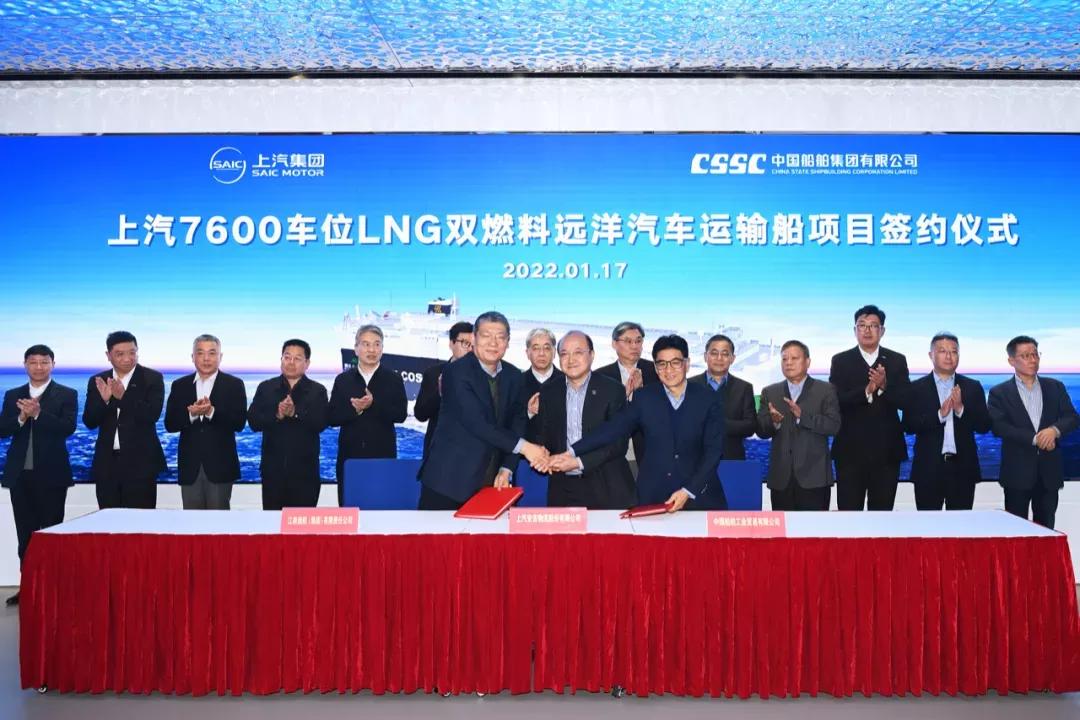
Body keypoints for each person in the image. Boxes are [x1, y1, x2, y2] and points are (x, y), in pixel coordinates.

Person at [553, 335, 727, 511]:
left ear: (687, 364)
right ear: (656, 368)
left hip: (699, 495)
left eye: (675, 363)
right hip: (654, 496)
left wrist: (689, 490)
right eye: (662, 364)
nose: (668, 370)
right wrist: (572, 451)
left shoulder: (708, 399)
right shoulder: (644, 398)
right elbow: (612, 429)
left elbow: (713, 452)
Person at [417, 311, 549, 510]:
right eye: (486, 335)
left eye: (500, 337)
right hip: (448, 482)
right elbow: (477, 423)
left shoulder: (514, 375)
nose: (493, 343)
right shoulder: (456, 372)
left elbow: (518, 421)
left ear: (508, 342)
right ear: (474, 338)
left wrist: (507, 468)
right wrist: (527, 448)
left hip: (492, 482)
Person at [0, 345, 76, 606]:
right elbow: (3, 430)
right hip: (20, 476)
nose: (39, 367)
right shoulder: (13, 395)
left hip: (53, 476)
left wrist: (39, 414)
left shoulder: (66, 394)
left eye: (44, 362)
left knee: (52, 535)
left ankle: (53, 590)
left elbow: (67, 428)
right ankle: (28, 587)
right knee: (26, 536)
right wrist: (21, 417)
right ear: (25, 365)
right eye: (33, 362)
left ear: (53, 364)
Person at [531, 331, 635, 509]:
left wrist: (577, 462)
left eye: (578, 352)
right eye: (564, 354)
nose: (571, 359)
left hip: (605, 485)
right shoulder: (549, 391)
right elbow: (544, 435)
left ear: (592, 355)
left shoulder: (613, 390)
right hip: (562, 487)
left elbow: (618, 444)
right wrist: (542, 454)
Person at [988, 335, 1078, 529]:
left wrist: (1054, 430)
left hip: (1049, 473)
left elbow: (1071, 417)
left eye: (1035, 354)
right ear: (1011, 361)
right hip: (1016, 474)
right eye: (1025, 355)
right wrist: (1035, 439)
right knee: (1015, 531)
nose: (1032, 359)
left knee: (1046, 530)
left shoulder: (1055, 387)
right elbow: (999, 427)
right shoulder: (999, 392)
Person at [828, 304, 909, 511]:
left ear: (882, 331)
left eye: (873, 325)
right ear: (854, 330)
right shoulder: (841, 360)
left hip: (887, 453)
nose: (867, 330)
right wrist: (867, 391)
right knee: (848, 516)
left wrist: (884, 386)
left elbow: (906, 400)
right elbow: (836, 400)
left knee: (882, 517)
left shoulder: (897, 360)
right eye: (862, 325)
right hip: (849, 452)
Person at [903, 332, 992, 511]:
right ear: (931, 355)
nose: (949, 356)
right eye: (943, 351)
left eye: (954, 351)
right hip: (927, 469)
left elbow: (984, 425)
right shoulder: (916, 388)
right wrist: (939, 415)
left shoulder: (972, 387)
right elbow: (908, 425)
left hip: (963, 469)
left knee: (961, 526)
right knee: (928, 525)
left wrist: (960, 410)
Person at [83, 331, 166, 509]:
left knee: (141, 521)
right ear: (108, 355)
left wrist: (123, 397)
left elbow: (152, 415)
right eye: (120, 354)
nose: (127, 358)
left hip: (141, 464)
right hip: (107, 465)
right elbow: (89, 421)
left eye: (132, 352)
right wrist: (105, 401)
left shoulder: (152, 378)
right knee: (108, 520)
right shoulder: (98, 380)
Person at [164, 334, 247, 510]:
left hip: (221, 466)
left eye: (212, 353)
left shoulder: (234, 384)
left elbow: (239, 423)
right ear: (193, 357)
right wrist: (191, 414)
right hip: (190, 467)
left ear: (220, 357)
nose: (206, 358)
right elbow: (170, 424)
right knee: (191, 522)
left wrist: (211, 412)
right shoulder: (180, 385)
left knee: (218, 522)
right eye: (200, 353)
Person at [756, 341, 840, 511]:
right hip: (781, 480)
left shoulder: (825, 390)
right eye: (784, 359)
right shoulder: (770, 392)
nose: (788, 363)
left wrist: (803, 417)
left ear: (807, 362)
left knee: (814, 527)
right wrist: (774, 422)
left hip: (814, 478)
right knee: (784, 528)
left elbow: (833, 426)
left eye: (794, 358)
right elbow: (761, 431)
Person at [329, 325, 408, 506]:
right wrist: (355, 410)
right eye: (366, 344)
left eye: (376, 344)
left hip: (383, 456)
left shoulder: (393, 379)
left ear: (382, 348)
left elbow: (400, 414)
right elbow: (332, 417)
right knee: (349, 510)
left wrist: (374, 404)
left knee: (382, 508)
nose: (372, 350)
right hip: (350, 457)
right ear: (356, 348)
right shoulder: (343, 380)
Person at [248, 339, 329, 510]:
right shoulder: (266, 388)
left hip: (305, 474)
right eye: (287, 357)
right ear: (281, 360)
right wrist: (277, 414)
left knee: (302, 524)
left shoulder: (317, 391)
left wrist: (295, 413)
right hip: (272, 473)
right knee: (273, 524)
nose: (291, 362)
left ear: (307, 363)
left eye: (297, 358)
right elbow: (253, 422)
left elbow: (321, 423)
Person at [596, 321, 659, 476]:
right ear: (614, 344)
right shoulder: (600, 376)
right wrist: (623, 395)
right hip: (612, 455)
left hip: (649, 453)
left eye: (638, 341)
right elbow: (598, 418)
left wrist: (641, 392)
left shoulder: (657, 371)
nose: (634, 346)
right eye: (628, 341)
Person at [688, 333, 757, 460]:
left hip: (731, 461)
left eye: (725, 354)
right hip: (695, 462)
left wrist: (720, 424)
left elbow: (750, 426)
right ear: (705, 356)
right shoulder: (689, 386)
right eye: (714, 353)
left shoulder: (744, 388)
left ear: (732, 358)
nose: (719, 358)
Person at [414, 321, 474, 458]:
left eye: (473, 345)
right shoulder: (433, 373)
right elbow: (420, 414)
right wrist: (440, 393)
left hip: (471, 455)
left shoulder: (484, 376)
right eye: (465, 343)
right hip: (438, 453)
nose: (470, 349)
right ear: (451, 343)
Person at [520, 328, 564, 436]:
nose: (541, 353)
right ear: (527, 353)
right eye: (535, 348)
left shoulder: (566, 382)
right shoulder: (517, 382)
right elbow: (508, 426)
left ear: (554, 352)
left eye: (547, 348)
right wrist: (529, 412)